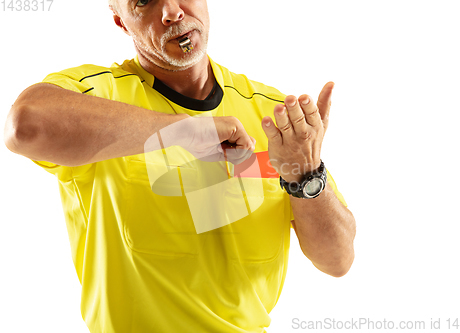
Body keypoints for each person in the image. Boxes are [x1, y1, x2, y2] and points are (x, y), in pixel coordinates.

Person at [3, 0, 356, 332]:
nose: (171, 11)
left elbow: (337, 261)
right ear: (121, 22)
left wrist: (305, 174)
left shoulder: (275, 115)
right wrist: (184, 131)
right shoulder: (97, 97)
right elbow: (25, 126)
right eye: (143, 1)